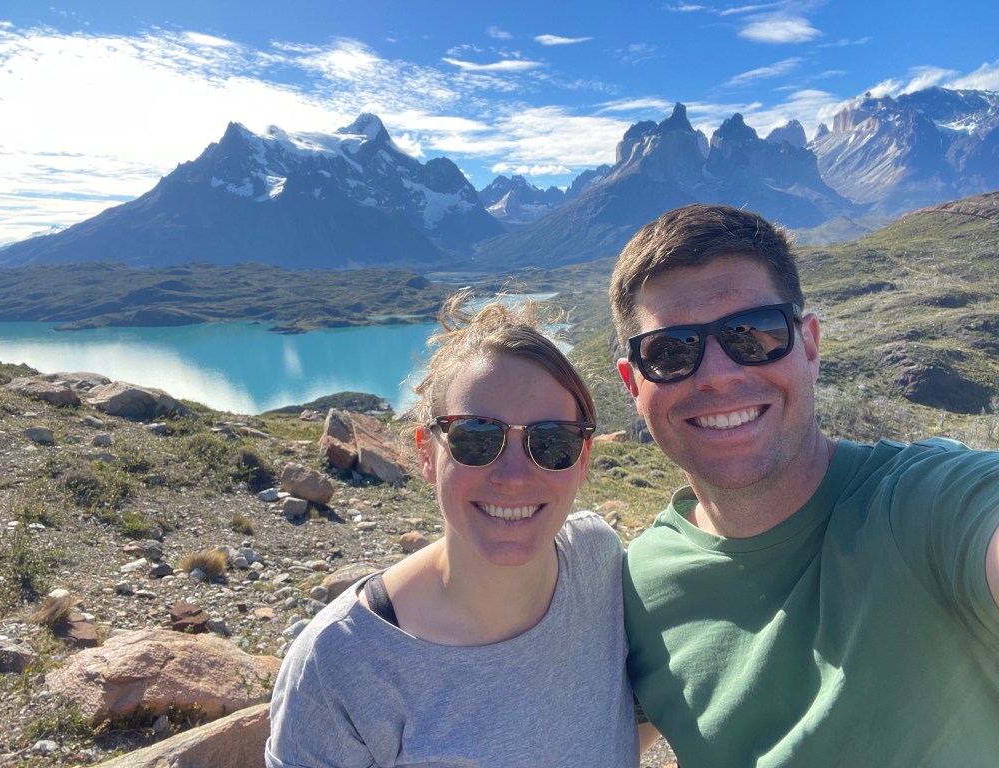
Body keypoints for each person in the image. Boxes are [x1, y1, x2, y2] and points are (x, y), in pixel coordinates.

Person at [610, 203, 999, 767]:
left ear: (810, 347)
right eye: (670, 352)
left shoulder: (927, 503)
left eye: (754, 334)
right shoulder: (636, 586)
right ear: (633, 384)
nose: (719, 376)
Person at [265, 292, 639, 767]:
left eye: (552, 442)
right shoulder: (337, 665)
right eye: (476, 437)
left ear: (582, 460)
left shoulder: (598, 558)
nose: (513, 477)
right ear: (426, 453)